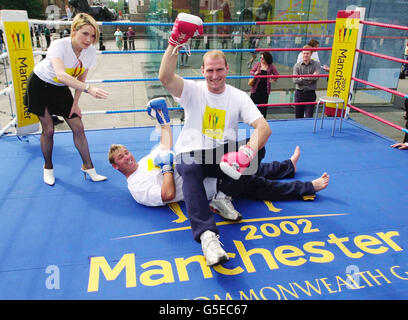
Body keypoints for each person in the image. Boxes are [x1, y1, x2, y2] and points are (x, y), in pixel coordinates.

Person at [158, 13, 272, 266]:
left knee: (260, 149)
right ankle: (208, 236)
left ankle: (223, 197)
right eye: (210, 70)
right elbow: (165, 77)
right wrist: (174, 42)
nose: (215, 75)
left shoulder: (238, 95)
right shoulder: (192, 90)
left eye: (219, 70)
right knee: (188, 165)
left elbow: (263, 127)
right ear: (202, 71)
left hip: (221, 155)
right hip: (192, 153)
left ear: (227, 70)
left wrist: (248, 152)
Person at [108, 97, 330, 227]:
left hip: (203, 166)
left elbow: (165, 144)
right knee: (257, 184)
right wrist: (166, 168)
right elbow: (166, 195)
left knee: (251, 162)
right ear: (116, 167)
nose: (127, 157)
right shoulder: (136, 187)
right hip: (211, 188)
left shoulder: (148, 159)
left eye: (126, 152)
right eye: (121, 158)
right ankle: (309, 187)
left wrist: (163, 121)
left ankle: (288, 166)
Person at [23, 13, 109, 186]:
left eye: (93, 36)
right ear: (73, 31)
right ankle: (48, 167)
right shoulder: (58, 45)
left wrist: (75, 104)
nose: (89, 40)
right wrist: (89, 90)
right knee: (48, 130)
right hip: (40, 85)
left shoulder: (90, 51)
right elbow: (61, 75)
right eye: (85, 34)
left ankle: (88, 167)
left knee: (78, 126)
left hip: (60, 89)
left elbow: (81, 80)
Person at [293, 45, 321, 118]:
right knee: (298, 116)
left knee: (309, 117)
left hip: (310, 93)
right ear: (302, 54)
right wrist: (310, 77)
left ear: (311, 54)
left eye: (307, 53)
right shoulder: (297, 66)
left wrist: (302, 78)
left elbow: (316, 78)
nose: (305, 55)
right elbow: (295, 80)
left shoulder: (316, 64)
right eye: (304, 53)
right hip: (299, 93)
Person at [250, 51, 280, 118]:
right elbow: (251, 71)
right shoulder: (258, 64)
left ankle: (262, 120)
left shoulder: (271, 66)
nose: (261, 59)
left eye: (262, 58)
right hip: (256, 88)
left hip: (265, 90)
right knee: (253, 105)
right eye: (260, 58)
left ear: (267, 59)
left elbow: (277, 75)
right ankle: (252, 119)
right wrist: (255, 73)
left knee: (263, 106)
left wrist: (272, 80)